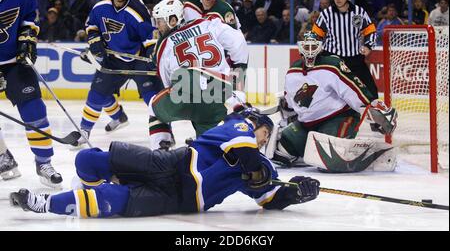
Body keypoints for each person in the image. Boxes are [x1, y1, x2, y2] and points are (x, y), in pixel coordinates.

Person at [10, 107, 321, 218]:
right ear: (255, 123)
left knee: (110, 200)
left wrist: (296, 193)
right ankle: (94, 186)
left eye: (265, 136)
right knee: (88, 159)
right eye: (264, 132)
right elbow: (247, 153)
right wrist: (258, 171)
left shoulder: (264, 165)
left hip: (181, 199)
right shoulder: (240, 127)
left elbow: (269, 198)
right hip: (170, 164)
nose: (264, 139)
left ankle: (44, 203)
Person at [270, 32, 398, 172]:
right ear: (300, 47)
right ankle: (307, 154)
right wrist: (286, 106)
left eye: (314, 46)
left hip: (338, 118)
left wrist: (371, 106)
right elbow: (290, 100)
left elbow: (353, 88)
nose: (310, 51)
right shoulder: (293, 71)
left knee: (327, 156)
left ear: (320, 47)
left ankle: (370, 153)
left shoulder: (332, 64)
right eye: (307, 46)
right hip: (307, 124)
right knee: (282, 151)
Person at [70, 0, 162, 148]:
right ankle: (85, 131)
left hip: (138, 59)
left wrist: (153, 55)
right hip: (113, 59)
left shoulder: (138, 8)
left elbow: (150, 36)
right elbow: (92, 26)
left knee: (153, 98)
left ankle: (164, 135)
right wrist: (95, 42)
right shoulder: (100, 7)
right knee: (97, 93)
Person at [148, 0, 248, 150]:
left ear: (173, 20)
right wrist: (237, 72)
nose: (158, 26)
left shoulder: (164, 45)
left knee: (153, 107)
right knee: (210, 141)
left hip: (186, 95)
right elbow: (239, 43)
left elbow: (167, 84)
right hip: (217, 94)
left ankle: (160, 152)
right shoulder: (209, 22)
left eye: (160, 21)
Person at [0, 0, 62, 187]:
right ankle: (3, 157)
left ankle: (44, 162)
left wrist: (27, 41)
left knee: (35, 110)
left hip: (15, 62)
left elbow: (29, 20)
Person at [313, 0, 379, 99]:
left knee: (371, 92)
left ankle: (375, 113)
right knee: (323, 91)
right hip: (332, 60)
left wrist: (368, 46)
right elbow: (315, 34)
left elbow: (371, 31)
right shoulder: (326, 14)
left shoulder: (359, 12)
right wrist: (315, 48)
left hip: (355, 59)